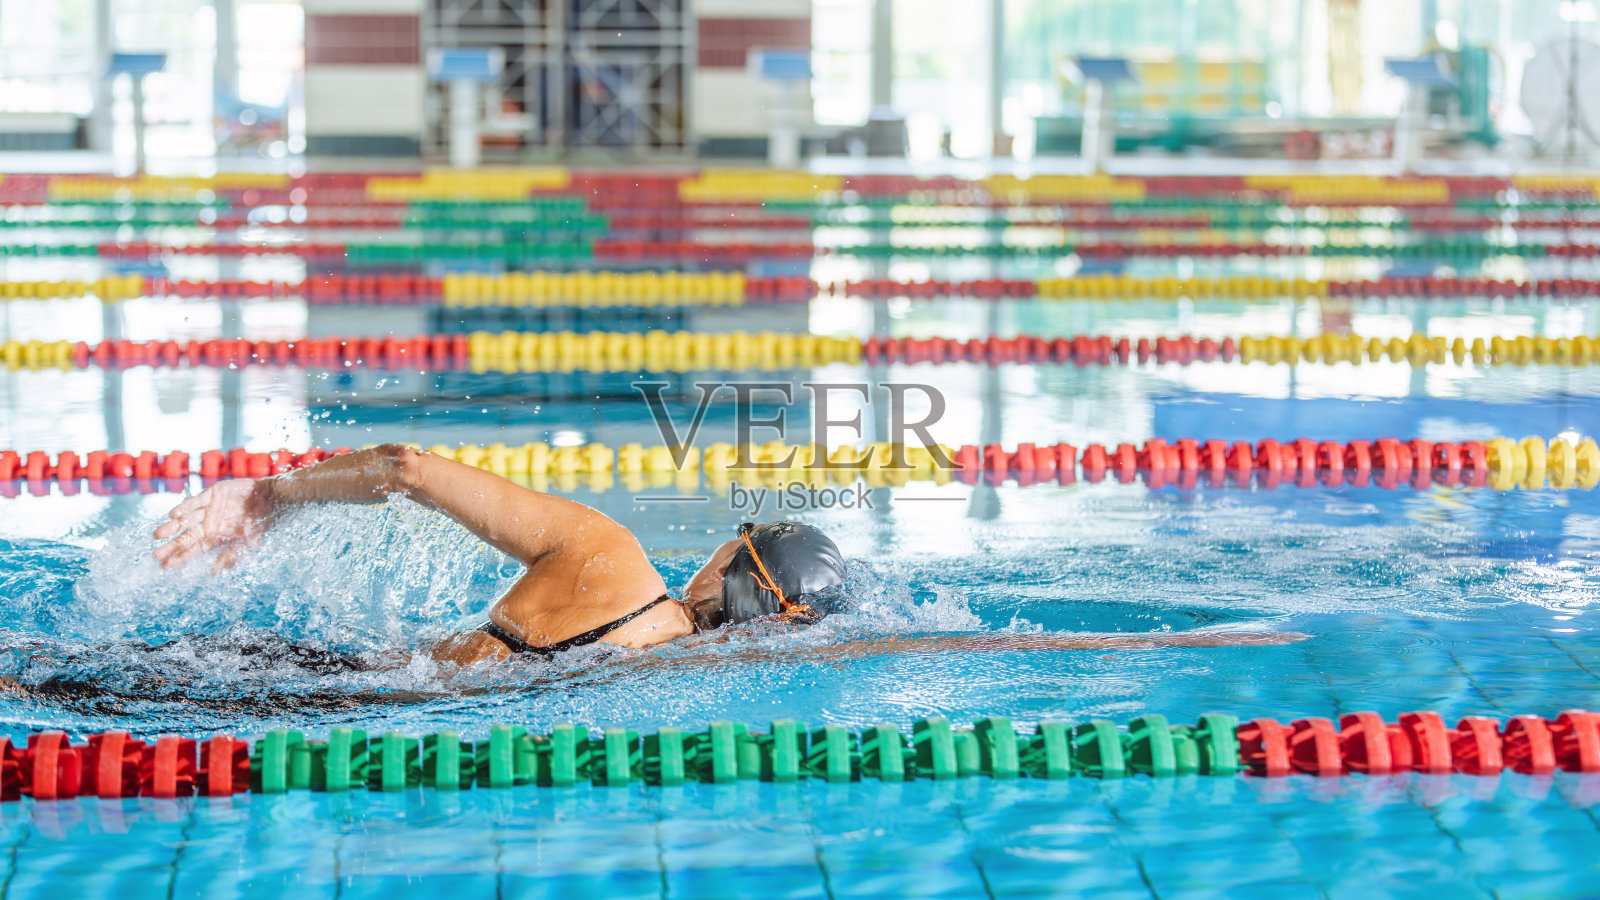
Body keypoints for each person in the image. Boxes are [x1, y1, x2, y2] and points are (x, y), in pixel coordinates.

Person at [152, 444, 1306, 667]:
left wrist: (265, 499)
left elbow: (402, 465)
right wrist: (1175, 637)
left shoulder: (606, 556)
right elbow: (944, 638)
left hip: (326, 685)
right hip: (370, 729)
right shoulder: (705, 667)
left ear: (726, 558)